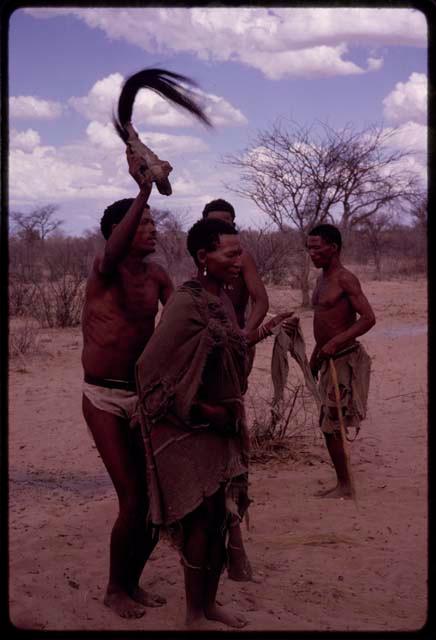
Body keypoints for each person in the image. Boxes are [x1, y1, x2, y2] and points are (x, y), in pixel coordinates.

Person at [135, 218, 292, 628]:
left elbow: (229, 346)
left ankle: (210, 605)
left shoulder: (220, 297)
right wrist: (203, 411)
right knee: (200, 522)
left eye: (240, 253)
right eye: (231, 253)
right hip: (191, 429)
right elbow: (149, 370)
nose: (239, 261)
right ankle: (193, 613)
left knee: (220, 517)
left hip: (222, 429)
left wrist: (268, 329)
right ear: (204, 257)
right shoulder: (186, 303)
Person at [81, 148, 174, 618]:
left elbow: (182, 323)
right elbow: (114, 248)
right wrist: (143, 186)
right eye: (143, 223)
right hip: (103, 397)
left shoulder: (158, 276)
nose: (153, 228)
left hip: (144, 397)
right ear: (120, 232)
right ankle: (115, 590)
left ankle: (132, 584)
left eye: (154, 223)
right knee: (133, 497)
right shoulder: (105, 269)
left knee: (155, 501)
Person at [202, 198, 268, 581]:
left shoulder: (241, 260)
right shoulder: (202, 264)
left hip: (234, 357)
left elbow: (260, 299)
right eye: (213, 226)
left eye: (225, 225)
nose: (220, 233)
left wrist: (245, 336)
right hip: (207, 358)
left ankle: (235, 543)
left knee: (231, 436)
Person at [305, 223, 376, 499]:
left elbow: (369, 318)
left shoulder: (345, 278)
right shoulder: (321, 279)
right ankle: (343, 482)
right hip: (327, 359)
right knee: (328, 421)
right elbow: (324, 323)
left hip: (344, 360)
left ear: (333, 248)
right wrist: (315, 356)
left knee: (331, 422)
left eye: (317, 247)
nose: (312, 253)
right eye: (309, 248)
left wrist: (336, 342)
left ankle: (345, 485)